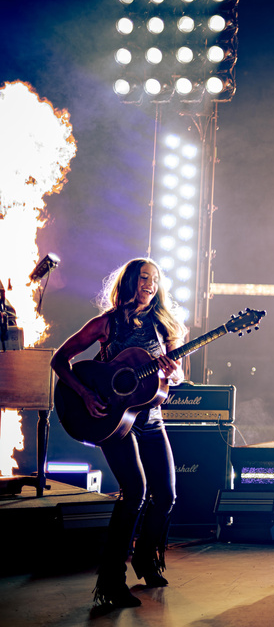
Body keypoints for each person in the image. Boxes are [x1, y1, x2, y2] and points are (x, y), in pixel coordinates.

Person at [50, 258, 186, 613]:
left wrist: (172, 374)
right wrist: (85, 393)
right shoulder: (105, 324)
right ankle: (111, 581)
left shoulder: (164, 325)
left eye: (155, 279)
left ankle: (145, 558)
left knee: (168, 495)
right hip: (114, 419)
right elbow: (60, 359)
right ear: (128, 282)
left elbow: (178, 377)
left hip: (151, 418)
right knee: (135, 493)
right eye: (144, 278)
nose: (150, 284)